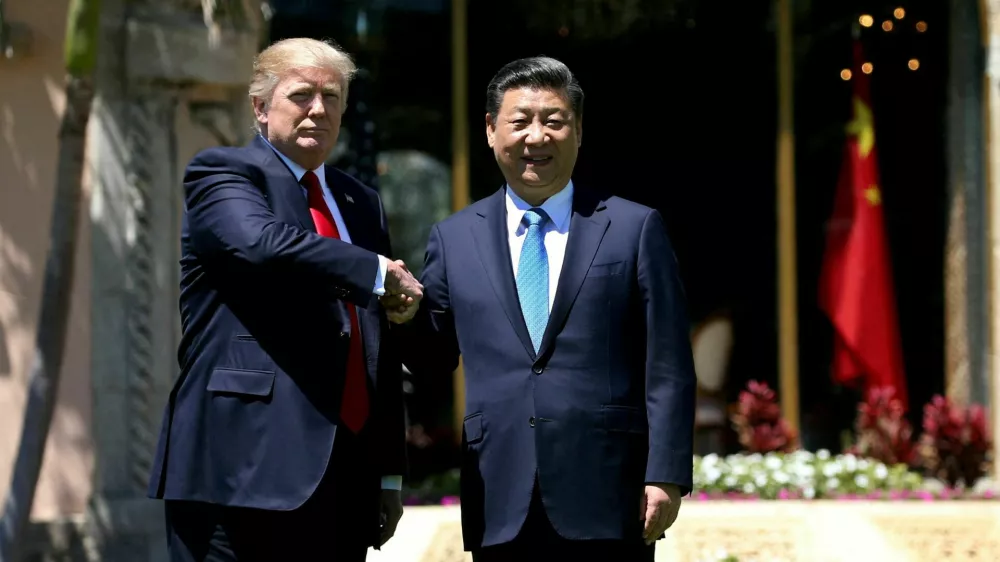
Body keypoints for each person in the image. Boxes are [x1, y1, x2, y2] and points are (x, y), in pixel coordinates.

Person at [385, 56, 696, 561]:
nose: (537, 136)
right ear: (490, 130)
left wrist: (666, 473)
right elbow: (434, 357)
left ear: (578, 131)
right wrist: (405, 318)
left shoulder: (634, 227)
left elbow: (668, 366)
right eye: (520, 121)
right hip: (499, 492)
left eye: (553, 121)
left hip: (609, 494)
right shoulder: (454, 236)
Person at [146, 37, 423, 562]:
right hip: (238, 467)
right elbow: (262, 244)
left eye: (333, 96)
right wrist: (375, 270)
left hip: (344, 475)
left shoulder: (359, 201)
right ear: (260, 106)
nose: (319, 110)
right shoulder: (224, 173)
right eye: (302, 95)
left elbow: (373, 341)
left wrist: (387, 469)